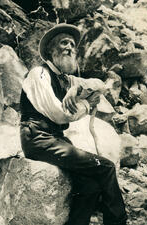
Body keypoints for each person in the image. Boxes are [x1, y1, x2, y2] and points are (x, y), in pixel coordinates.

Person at [20, 23, 127, 225]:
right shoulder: (39, 74)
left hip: (55, 139)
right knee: (105, 167)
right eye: (63, 43)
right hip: (37, 138)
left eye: (72, 44)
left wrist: (76, 89)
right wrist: (86, 104)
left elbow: (100, 85)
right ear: (51, 51)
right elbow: (59, 114)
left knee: (90, 185)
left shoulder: (66, 79)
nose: (69, 47)